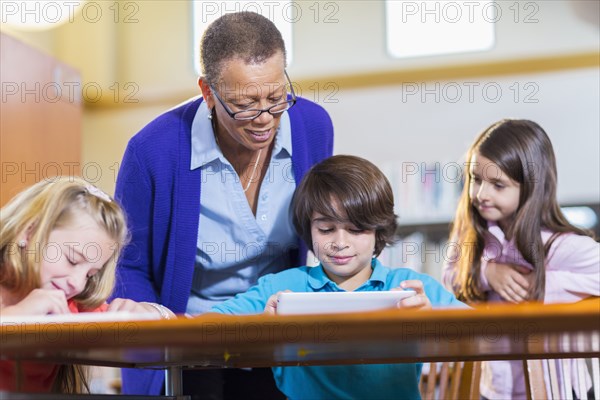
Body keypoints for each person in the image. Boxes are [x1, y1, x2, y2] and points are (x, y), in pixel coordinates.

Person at [113, 11, 334, 398]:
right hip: (189, 340)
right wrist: (160, 327)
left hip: (276, 336)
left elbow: (327, 228)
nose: (265, 118)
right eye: (245, 104)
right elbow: (128, 264)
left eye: (276, 97)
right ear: (208, 92)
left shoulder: (313, 127)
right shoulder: (152, 151)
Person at [210, 155, 465, 400]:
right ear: (308, 228)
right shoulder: (281, 288)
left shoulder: (409, 287)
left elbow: (486, 332)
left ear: (378, 231)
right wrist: (260, 332)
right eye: (326, 229)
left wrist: (434, 325)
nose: (340, 243)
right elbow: (207, 328)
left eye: (356, 229)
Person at [441, 119, 600, 399]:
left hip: (557, 390)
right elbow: (449, 278)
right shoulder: (474, 237)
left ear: (530, 187)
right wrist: (487, 273)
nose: (481, 194)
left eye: (498, 185)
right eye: (476, 179)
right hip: (496, 388)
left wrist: (541, 283)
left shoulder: (559, 245)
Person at [0, 177, 175, 393]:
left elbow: (169, 321)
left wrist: (148, 312)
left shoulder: (69, 306)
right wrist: (19, 314)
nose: (77, 283)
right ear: (29, 232)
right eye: (72, 260)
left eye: (90, 274)